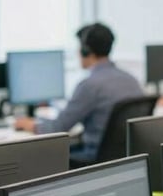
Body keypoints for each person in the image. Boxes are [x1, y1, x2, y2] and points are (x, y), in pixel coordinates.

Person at [14, 22, 142, 163]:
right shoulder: (132, 80)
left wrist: (29, 124)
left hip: (94, 160)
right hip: (124, 159)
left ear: (85, 51)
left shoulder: (89, 85)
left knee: (39, 159)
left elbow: (58, 128)